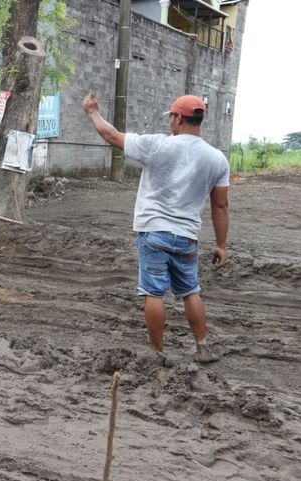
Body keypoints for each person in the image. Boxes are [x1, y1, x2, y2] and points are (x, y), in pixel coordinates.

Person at [83, 91, 230, 364]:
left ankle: (157, 353)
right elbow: (220, 206)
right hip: (187, 237)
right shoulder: (217, 159)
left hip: (153, 232)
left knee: (153, 292)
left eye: (170, 117)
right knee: (190, 291)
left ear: (177, 118)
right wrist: (221, 245)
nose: (169, 123)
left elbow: (112, 136)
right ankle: (203, 348)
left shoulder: (158, 146)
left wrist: (92, 112)